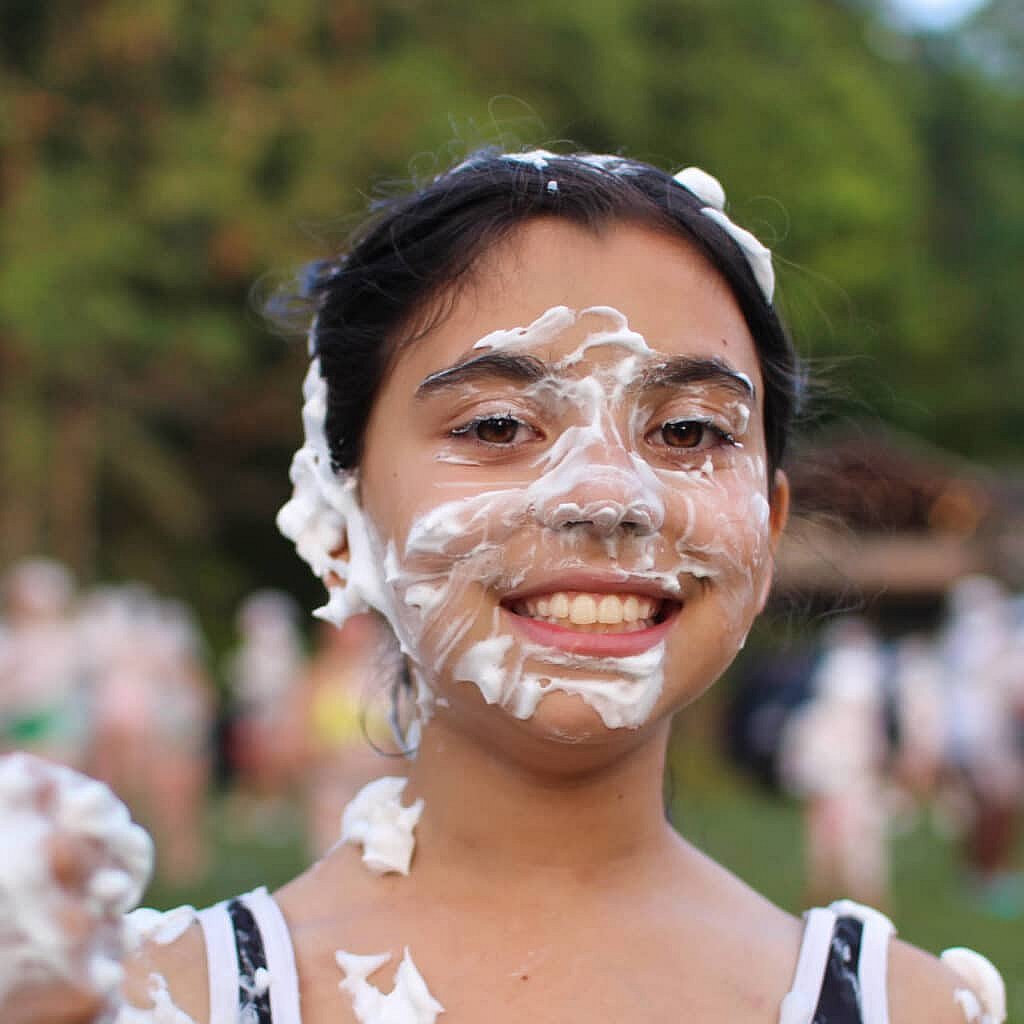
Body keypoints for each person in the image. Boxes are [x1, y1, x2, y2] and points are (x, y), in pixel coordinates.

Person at [0, 150, 1005, 1024]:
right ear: (339, 522)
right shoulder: (156, 999)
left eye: (689, 431)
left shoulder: (908, 1007)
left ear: (771, 527)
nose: (608, 497)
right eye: (495, 427)